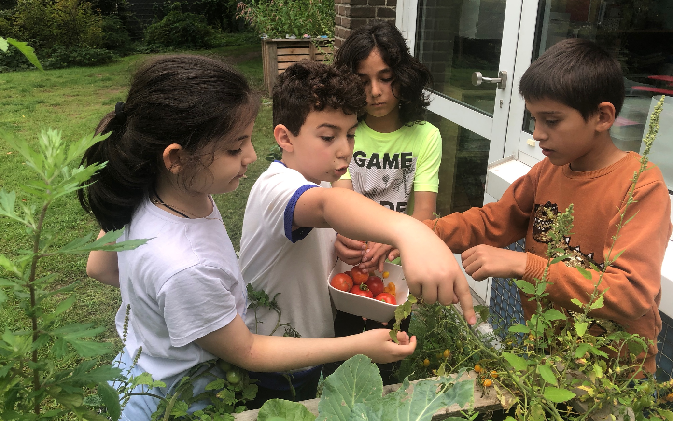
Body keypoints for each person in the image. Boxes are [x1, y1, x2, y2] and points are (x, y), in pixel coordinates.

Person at [79, 55, 421, 420]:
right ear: (177, 158)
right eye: (235, 147)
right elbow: (247, 352)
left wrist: (170, 301)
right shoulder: (185, 266)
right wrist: (409, 232)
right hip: (178, 402)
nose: (252, 156)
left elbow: (99, 267)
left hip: (142, 366)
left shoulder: (158, 191)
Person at [425, 39, 672, 374]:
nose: (537, 134)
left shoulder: (640, 185)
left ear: (602, 116)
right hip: (549, 357)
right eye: (534, 119)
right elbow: (491, 222)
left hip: (612, 377)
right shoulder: (548, 170)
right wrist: (414, 233)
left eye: (551, 120)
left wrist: (526, 265)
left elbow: (631, 294)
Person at [238, 60, 475, 403]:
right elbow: (325, 206)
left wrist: (337, 246)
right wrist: (411, 232)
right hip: (271, 359)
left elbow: (322, 219)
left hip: (304, 349)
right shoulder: (276, 187)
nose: (345, 149)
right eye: (328, 136)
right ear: (285, 138)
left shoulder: (316, 180)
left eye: (350, 134)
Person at [332, 20, 441, 272]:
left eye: (386, 78)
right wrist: (344, 236)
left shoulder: (426, 136)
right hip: (352, 261)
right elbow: (342, 202)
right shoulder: (345, 134)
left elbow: (425, 212)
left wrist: (393, 238)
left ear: (404, 77)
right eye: (363, 81)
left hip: (399, 265)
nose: (375, 91)